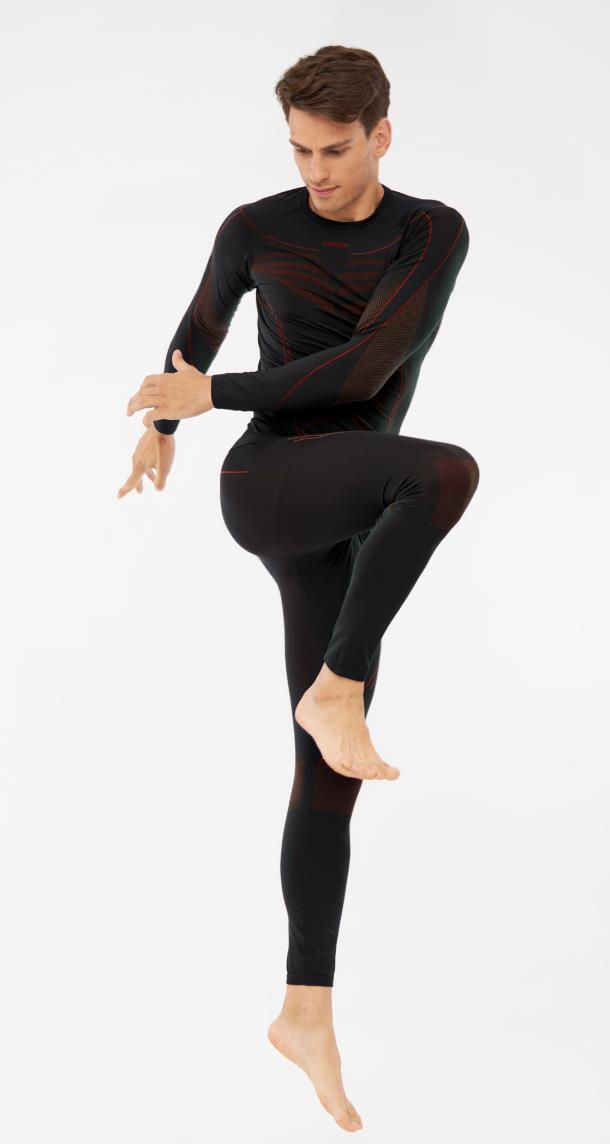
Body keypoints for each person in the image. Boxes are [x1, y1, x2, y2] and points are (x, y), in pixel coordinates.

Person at [118, 45, 480, 1135]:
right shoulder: (253, 227)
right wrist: (166, 422)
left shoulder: (429, 232)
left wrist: (206, 393)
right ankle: (341, 683)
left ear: (380, 134)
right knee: (441, 472)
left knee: (326, 776)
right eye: (298, 150)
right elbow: (196, 334)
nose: (314, 172)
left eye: (334, 150)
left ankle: (305, 1009)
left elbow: (368, 369)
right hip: (270, 482)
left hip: (351, 508)